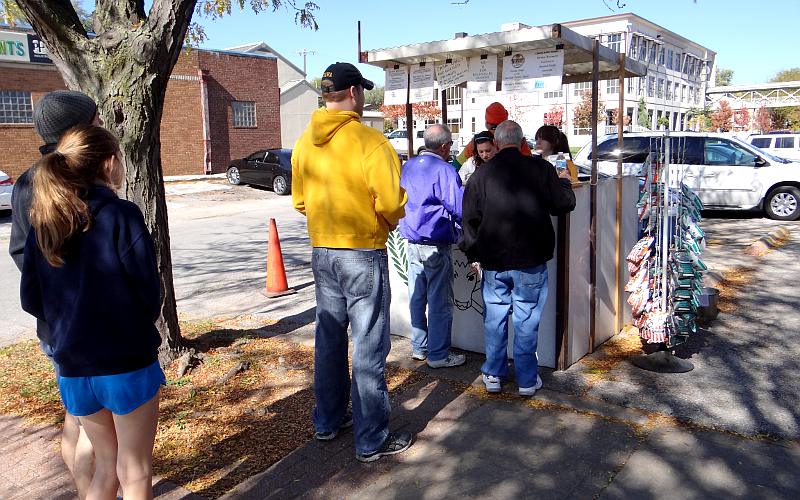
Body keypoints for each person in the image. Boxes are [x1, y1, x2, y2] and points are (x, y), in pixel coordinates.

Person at [20, 124, 163, 499]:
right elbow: (149, 294)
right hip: (125, 362)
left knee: (106, 467)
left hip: (73, 366)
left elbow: (31, 299)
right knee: (134, 471)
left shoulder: (45, 222)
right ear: (108, 163)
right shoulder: (121, 214)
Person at [291, 62, 412, 463]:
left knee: (328, 339)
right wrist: (382, 222)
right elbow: (393, 203)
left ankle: (327, 421)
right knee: (368, 345)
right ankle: (371, 439)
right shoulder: (370, 142)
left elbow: (300, 200)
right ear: (356, 92)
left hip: (322, 251)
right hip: (362, 252)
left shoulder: (306, 142)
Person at [8, 89, 102, 498]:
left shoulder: (28, 179)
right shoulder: (74, 183)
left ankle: (87, 492)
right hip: (86, 332)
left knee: (75, 417)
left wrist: (50, 303)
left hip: (55, 329)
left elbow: (19, 253)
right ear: (77, 129)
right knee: (97, 429)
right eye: (95, 120)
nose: (101, 126)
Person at [459, 120, 576, 396]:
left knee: (495, 319)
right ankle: (526, 379)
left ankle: (494, 375)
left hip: (493, 262)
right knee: (526, 320)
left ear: (497, 144)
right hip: (531, 259)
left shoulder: (481, 175)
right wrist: (565, 183)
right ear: (522, 141)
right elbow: (563, 204)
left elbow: (469, 220)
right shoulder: (541, 169)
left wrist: (473, 254)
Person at [399, 123, 466, 368]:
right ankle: (438, 355)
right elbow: (458, 207)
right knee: (439, 301)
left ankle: (420, 347)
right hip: (436, 242)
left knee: (417, 296)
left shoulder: (407, 166)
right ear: (445, 146)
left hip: (411, 240)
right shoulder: (444, 170)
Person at [454, 102, 532, 169]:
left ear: (487, 123)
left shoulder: (479, 141)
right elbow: (529, 162)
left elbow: (458, 163)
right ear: (505, 120)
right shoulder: (516, 138)